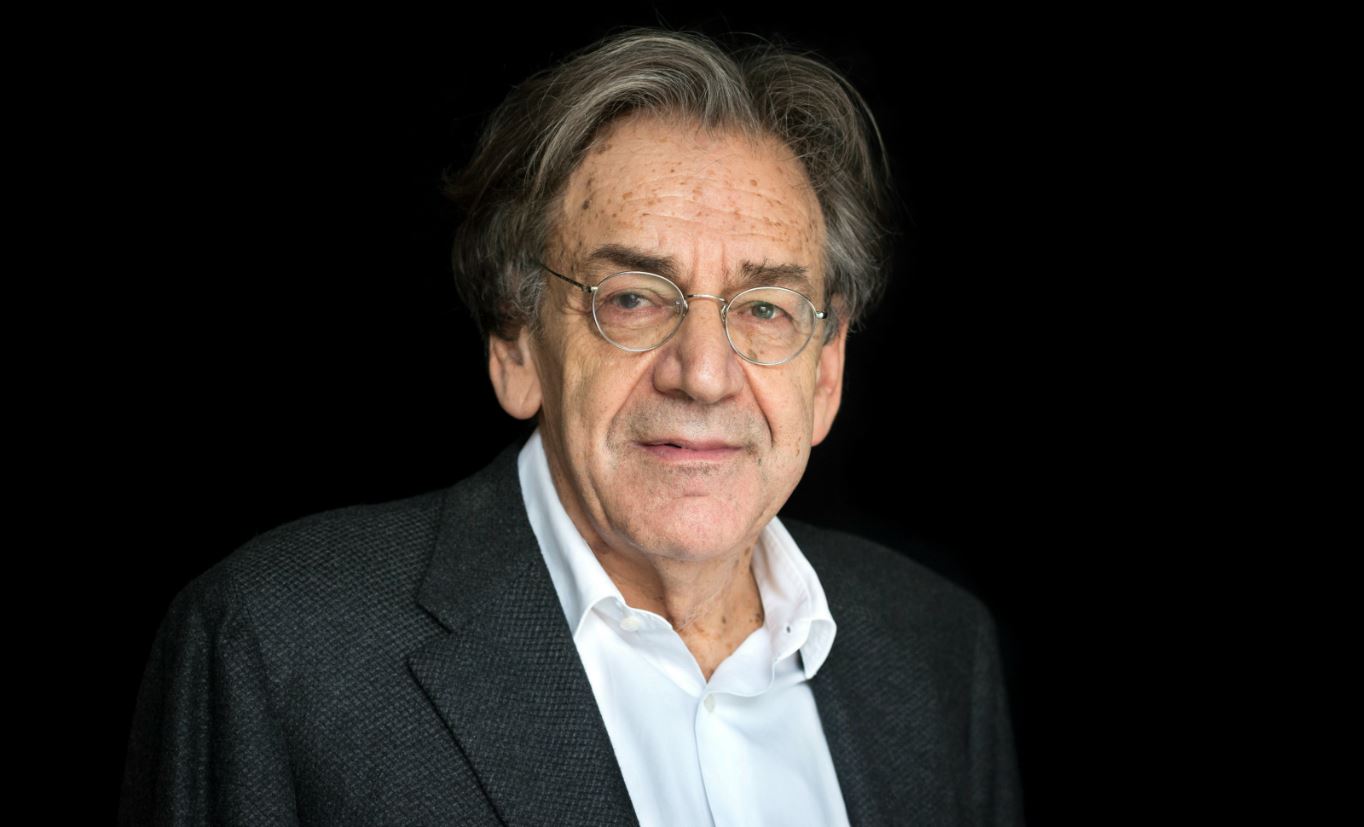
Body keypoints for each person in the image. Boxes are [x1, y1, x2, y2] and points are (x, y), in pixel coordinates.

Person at [120, 27, 1023, 826]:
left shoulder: (939, 649)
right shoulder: (278, 644)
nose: (704, 373)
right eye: (632, 298)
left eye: (765, 308)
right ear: (517, 343)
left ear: (825, 373)